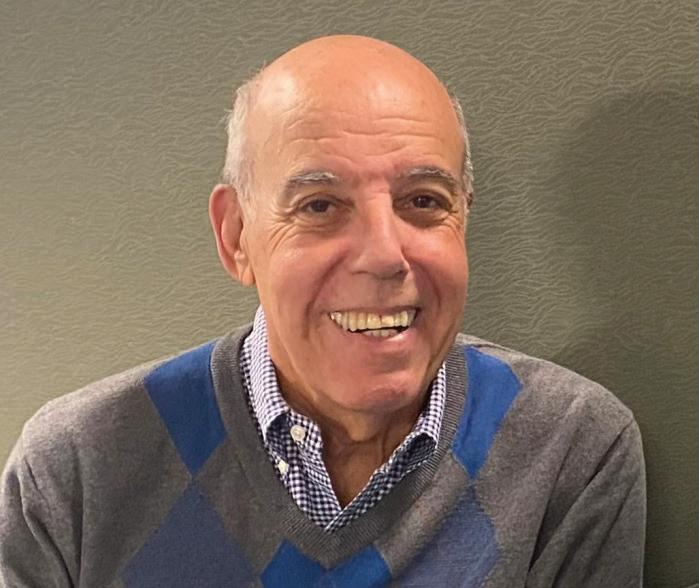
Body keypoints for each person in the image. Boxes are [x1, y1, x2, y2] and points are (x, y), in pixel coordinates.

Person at [0, 35, 645, 587]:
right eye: (319, 206)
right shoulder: (76, 470)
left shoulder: (569, 448)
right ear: (237, 237)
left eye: (424, 201)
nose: (384, 255)